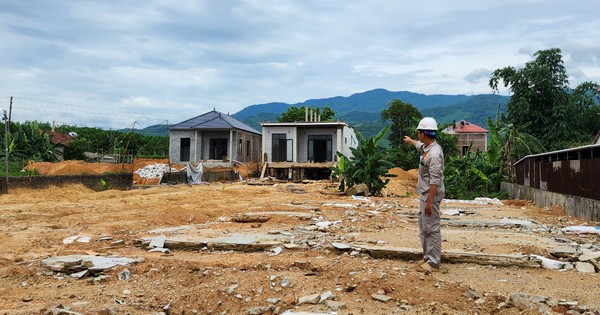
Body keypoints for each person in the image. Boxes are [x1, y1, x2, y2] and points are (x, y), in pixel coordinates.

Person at [403, 117, 445, 274]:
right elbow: (418, 146)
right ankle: (427, 257)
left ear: (423, 133)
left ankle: (434, 262)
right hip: (425, 195)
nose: (418, 135)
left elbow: (435, 180)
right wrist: (410, 141)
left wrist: (430, 201)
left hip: (430, 197)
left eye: (418, 132)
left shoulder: (434, 154)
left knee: (432, 228)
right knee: (424, 227)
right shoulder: (428, 148)